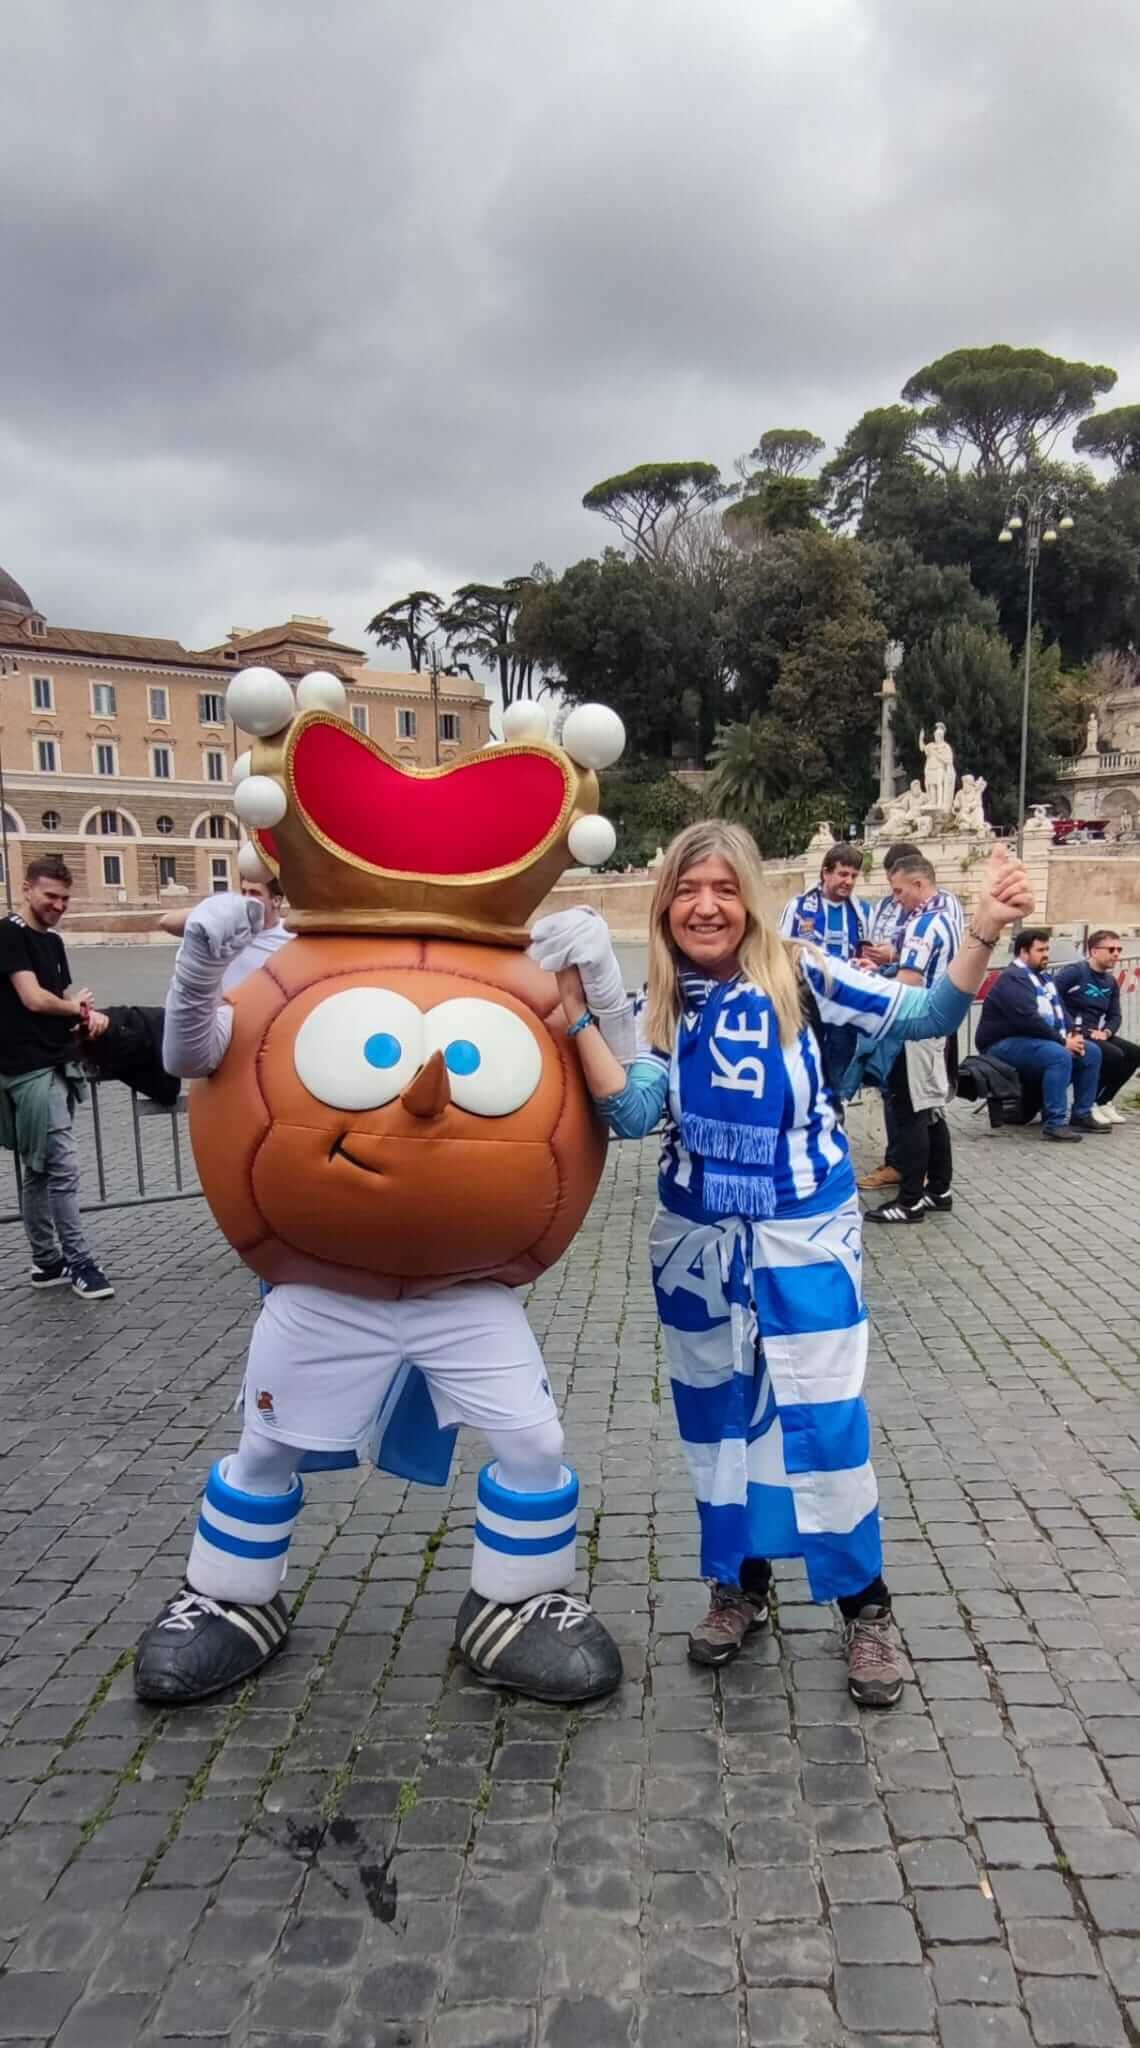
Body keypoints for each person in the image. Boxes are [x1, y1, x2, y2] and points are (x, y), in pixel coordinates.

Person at [532, 823, 1032, 1707]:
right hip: (697, 1242)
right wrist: (574, 1010)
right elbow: (637, 1111)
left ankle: (863, 1607)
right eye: (689, 890)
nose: (706, 906)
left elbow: (925, 1015)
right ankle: (741, 1584)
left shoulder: (802, 969)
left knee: (824, 1420)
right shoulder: (662, 999)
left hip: (805, 1230)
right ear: (666, 903)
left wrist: (984, 928)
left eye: (724, 889)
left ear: (751, 897)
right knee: (722, 1422)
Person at [0, 856, 114, 1300]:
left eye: (65, 898)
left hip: (53, 1063)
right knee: (61, 1168)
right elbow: (33, 998)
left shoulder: (53, 942)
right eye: (51, 896)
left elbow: (59, 998)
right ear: (27, 889)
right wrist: (80, 1010)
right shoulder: (9, 933)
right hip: (27, 1070)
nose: (59, 905)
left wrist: (79, 1015)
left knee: (40, 1169)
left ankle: (47, 1263)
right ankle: (79, 1261)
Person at [858, 849, 965, 1201]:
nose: (895, 898)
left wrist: (867, 987)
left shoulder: (921, 924)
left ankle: (909, 1199)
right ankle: (939, 1189)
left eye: (899, 890)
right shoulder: (948, 915)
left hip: (915, 1026)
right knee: (931, 1109)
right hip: (937, 1025)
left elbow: (909, 982)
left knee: (911, 1110)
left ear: (919, 884)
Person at [976, 928, 1108, 1142]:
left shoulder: (1043, 978)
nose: (1046, 954)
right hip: (1001, 1044)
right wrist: (1063, 1042)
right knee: (1058, 1055)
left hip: (1032, 1040)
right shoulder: (1013, 978)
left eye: (1047, 949)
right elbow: (1028, 1019)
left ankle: (1082, 1114)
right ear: (1023, 952)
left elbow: (1061, 1012)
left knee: (1090, 1051)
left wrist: (1073, 1035)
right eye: (1040, 950)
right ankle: (1054, 1123)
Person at [1053, 930, 1138, 1125]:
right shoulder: (1074, 972)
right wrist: (1071, 1027)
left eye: (1119, 949)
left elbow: (1115, 1015)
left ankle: (1103, 1101)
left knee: (1134, 1053)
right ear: (1094, 951)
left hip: (1095, 1033)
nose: (1116, 954)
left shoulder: (1110, 981)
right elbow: (1052, 998)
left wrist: (1107, 1031)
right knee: (1113, 1055)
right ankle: (1087, 1103)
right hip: (1072, 1032)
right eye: (1111, 949)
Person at [161, 875, 293, 990]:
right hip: (223, 1013)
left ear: (276, 900)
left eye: (254, 893)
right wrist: (215, 910)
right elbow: (167, 923)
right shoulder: (229, 927)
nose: (247, 899)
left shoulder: (292, 935)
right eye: (243, 892)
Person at [779, 843, 869, 961]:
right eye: (843, 874)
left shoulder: (864, 912)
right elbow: (782, 952)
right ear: (826, 873)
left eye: (854, 876)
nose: (849, 881)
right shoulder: (797, 907)